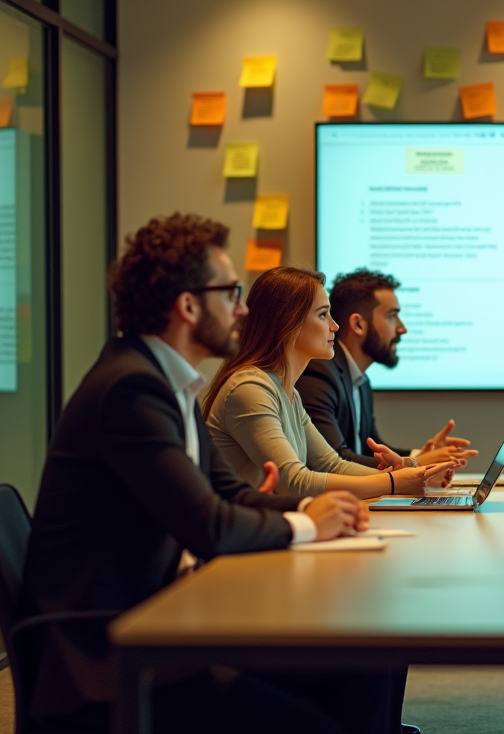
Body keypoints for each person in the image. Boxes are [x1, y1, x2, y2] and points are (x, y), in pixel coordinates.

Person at [19, 213, 409, 734]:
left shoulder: (165, 382)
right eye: (230, 293)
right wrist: (310, 523)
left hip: (155, 622)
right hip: (109, 655)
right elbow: (210, 523)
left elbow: (226, 490)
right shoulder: (130, 390)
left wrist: (327, 511)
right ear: (187, 306)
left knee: (368, 663)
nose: (243, 309)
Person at [204, 266, 455, 499]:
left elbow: (332, 465)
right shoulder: (250, 389)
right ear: (288, 323)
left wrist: (411, 476)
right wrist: (394, 482)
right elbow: (292, 482)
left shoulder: (287, 391)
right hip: (238, 541)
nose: (334, 326)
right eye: (323, 315)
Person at [296, 268, 478, 469]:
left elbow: (371, 450)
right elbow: (335, 460)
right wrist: (412, 464)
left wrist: (422, 455)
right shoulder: (319, 374)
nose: (402, 328)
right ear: (358, 324)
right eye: (392, 316)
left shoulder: (360, 380)